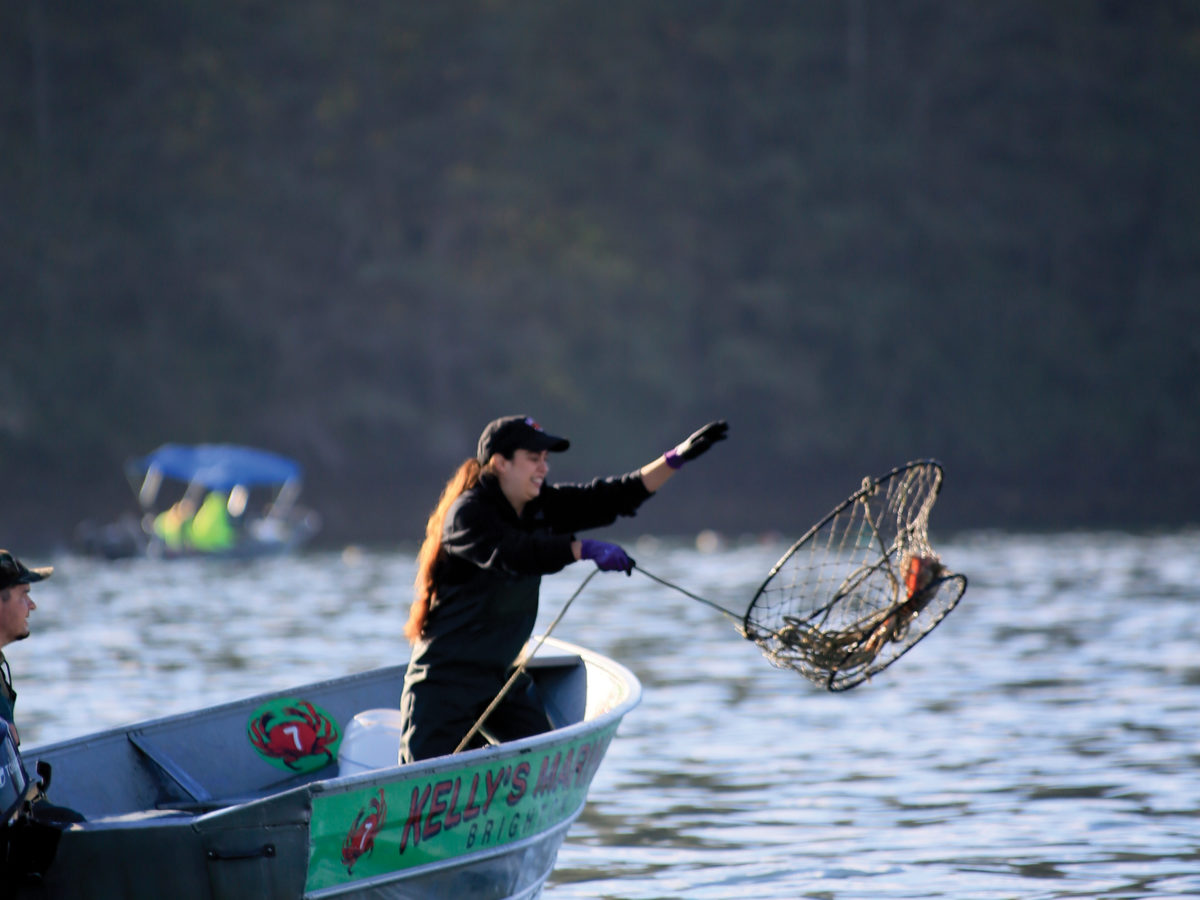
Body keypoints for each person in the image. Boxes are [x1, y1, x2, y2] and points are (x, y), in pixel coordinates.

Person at [399, 415, 728, 763]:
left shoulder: (540, 505)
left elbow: (612, 497)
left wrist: (676, 458)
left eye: (546, 459)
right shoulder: (467, 514)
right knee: (420, 781)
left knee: (550, 761)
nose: (543, 467)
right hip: (444, 683)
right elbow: (513, 555)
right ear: (500, 463)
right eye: (533, 458)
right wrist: (580, 549)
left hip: (501, 678)